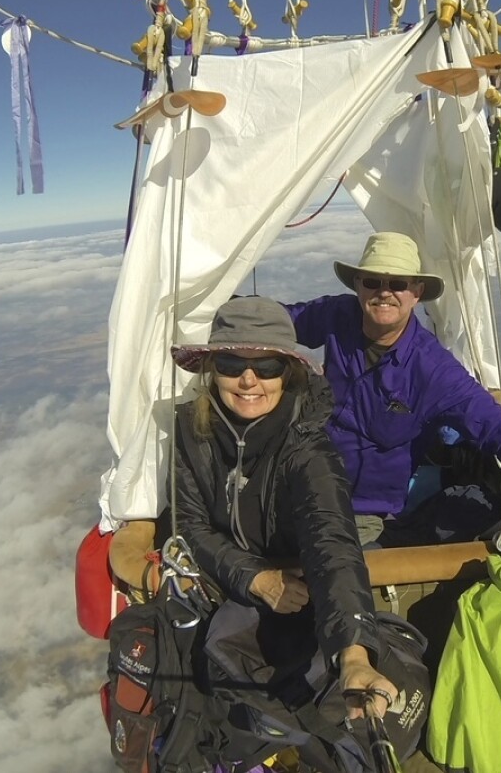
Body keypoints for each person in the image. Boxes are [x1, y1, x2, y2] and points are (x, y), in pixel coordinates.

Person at [284, 231, 501, 545]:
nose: (384, 292)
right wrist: (235, 310)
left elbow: (496, 428)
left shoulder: (433, 370)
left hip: (357, 509)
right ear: (358, 285)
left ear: (417, 292)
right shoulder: (337, 315)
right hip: (297, 476)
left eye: (397, 284)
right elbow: (277, 320)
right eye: (372, 281)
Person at [169, 296, 399, 725]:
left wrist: (353, 652)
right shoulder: (191, 430)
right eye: (231, 364)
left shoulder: (306, 447)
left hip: (301, 611)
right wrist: (255, 577)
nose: (249, 380)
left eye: (268, 367)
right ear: (212, 369)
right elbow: (190, 523)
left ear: (288, 372)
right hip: (227, 595)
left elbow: (332, 541)